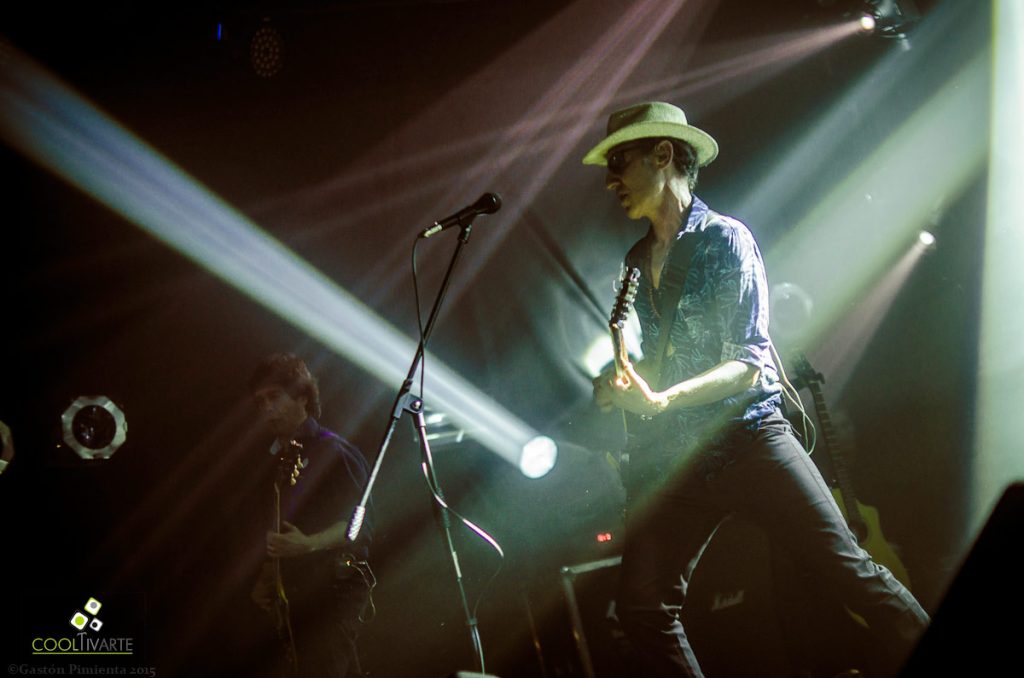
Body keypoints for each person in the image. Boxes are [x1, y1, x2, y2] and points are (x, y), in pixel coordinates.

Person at [584, 102, 929, 676]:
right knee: (642, 609)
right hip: (679, 461)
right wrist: (619, 383)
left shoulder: (726, 240)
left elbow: (746, 364)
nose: (608, 181)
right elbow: (667, 361)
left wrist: (661, 399)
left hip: (748, 438)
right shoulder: (636, 260)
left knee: (850, 571)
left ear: (663, 154)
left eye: (619, 161)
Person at [248, 353, 373, 678]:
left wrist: (309, 544)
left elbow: (362, 523)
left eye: (274, 397)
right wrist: (269, 574)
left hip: (332, 593)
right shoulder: (272, 460)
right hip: (295, 596)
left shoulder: (333, 450)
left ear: (303, 396)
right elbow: (280, 529)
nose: (266, 408)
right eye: (260, 402)